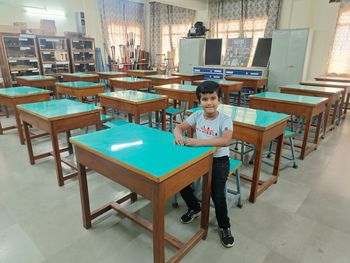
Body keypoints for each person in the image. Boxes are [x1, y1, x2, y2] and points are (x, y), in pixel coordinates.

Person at [173, 80, 234, 248]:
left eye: (213, 98)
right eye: (205, 99)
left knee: (218, 195)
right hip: (199, 159)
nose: (209, 103)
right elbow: (179, 128)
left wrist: (198, 142)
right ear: (199, 102)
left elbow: (226, 140)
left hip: (219, 161)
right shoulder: (197, 115)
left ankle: (224, 226)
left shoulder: (225, 119)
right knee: (179, 180)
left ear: (219, 99)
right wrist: (178, 135)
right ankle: (194, 207)